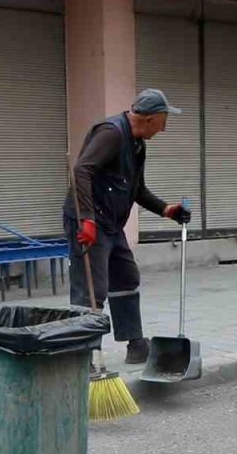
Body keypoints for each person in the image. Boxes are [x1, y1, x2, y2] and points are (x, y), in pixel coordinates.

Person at [64, 89, 192, 365]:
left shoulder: (137, 145)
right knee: (91, 289)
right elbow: (81, 171)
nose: (165, 128)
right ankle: (84, 353)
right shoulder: (112, 133)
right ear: (149, 119)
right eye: (163, 121)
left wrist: (166, 210)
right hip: (89, 222)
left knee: (125, 276)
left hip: (110, 223)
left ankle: (135, 344)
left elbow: (137, 189)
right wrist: (86, 218)